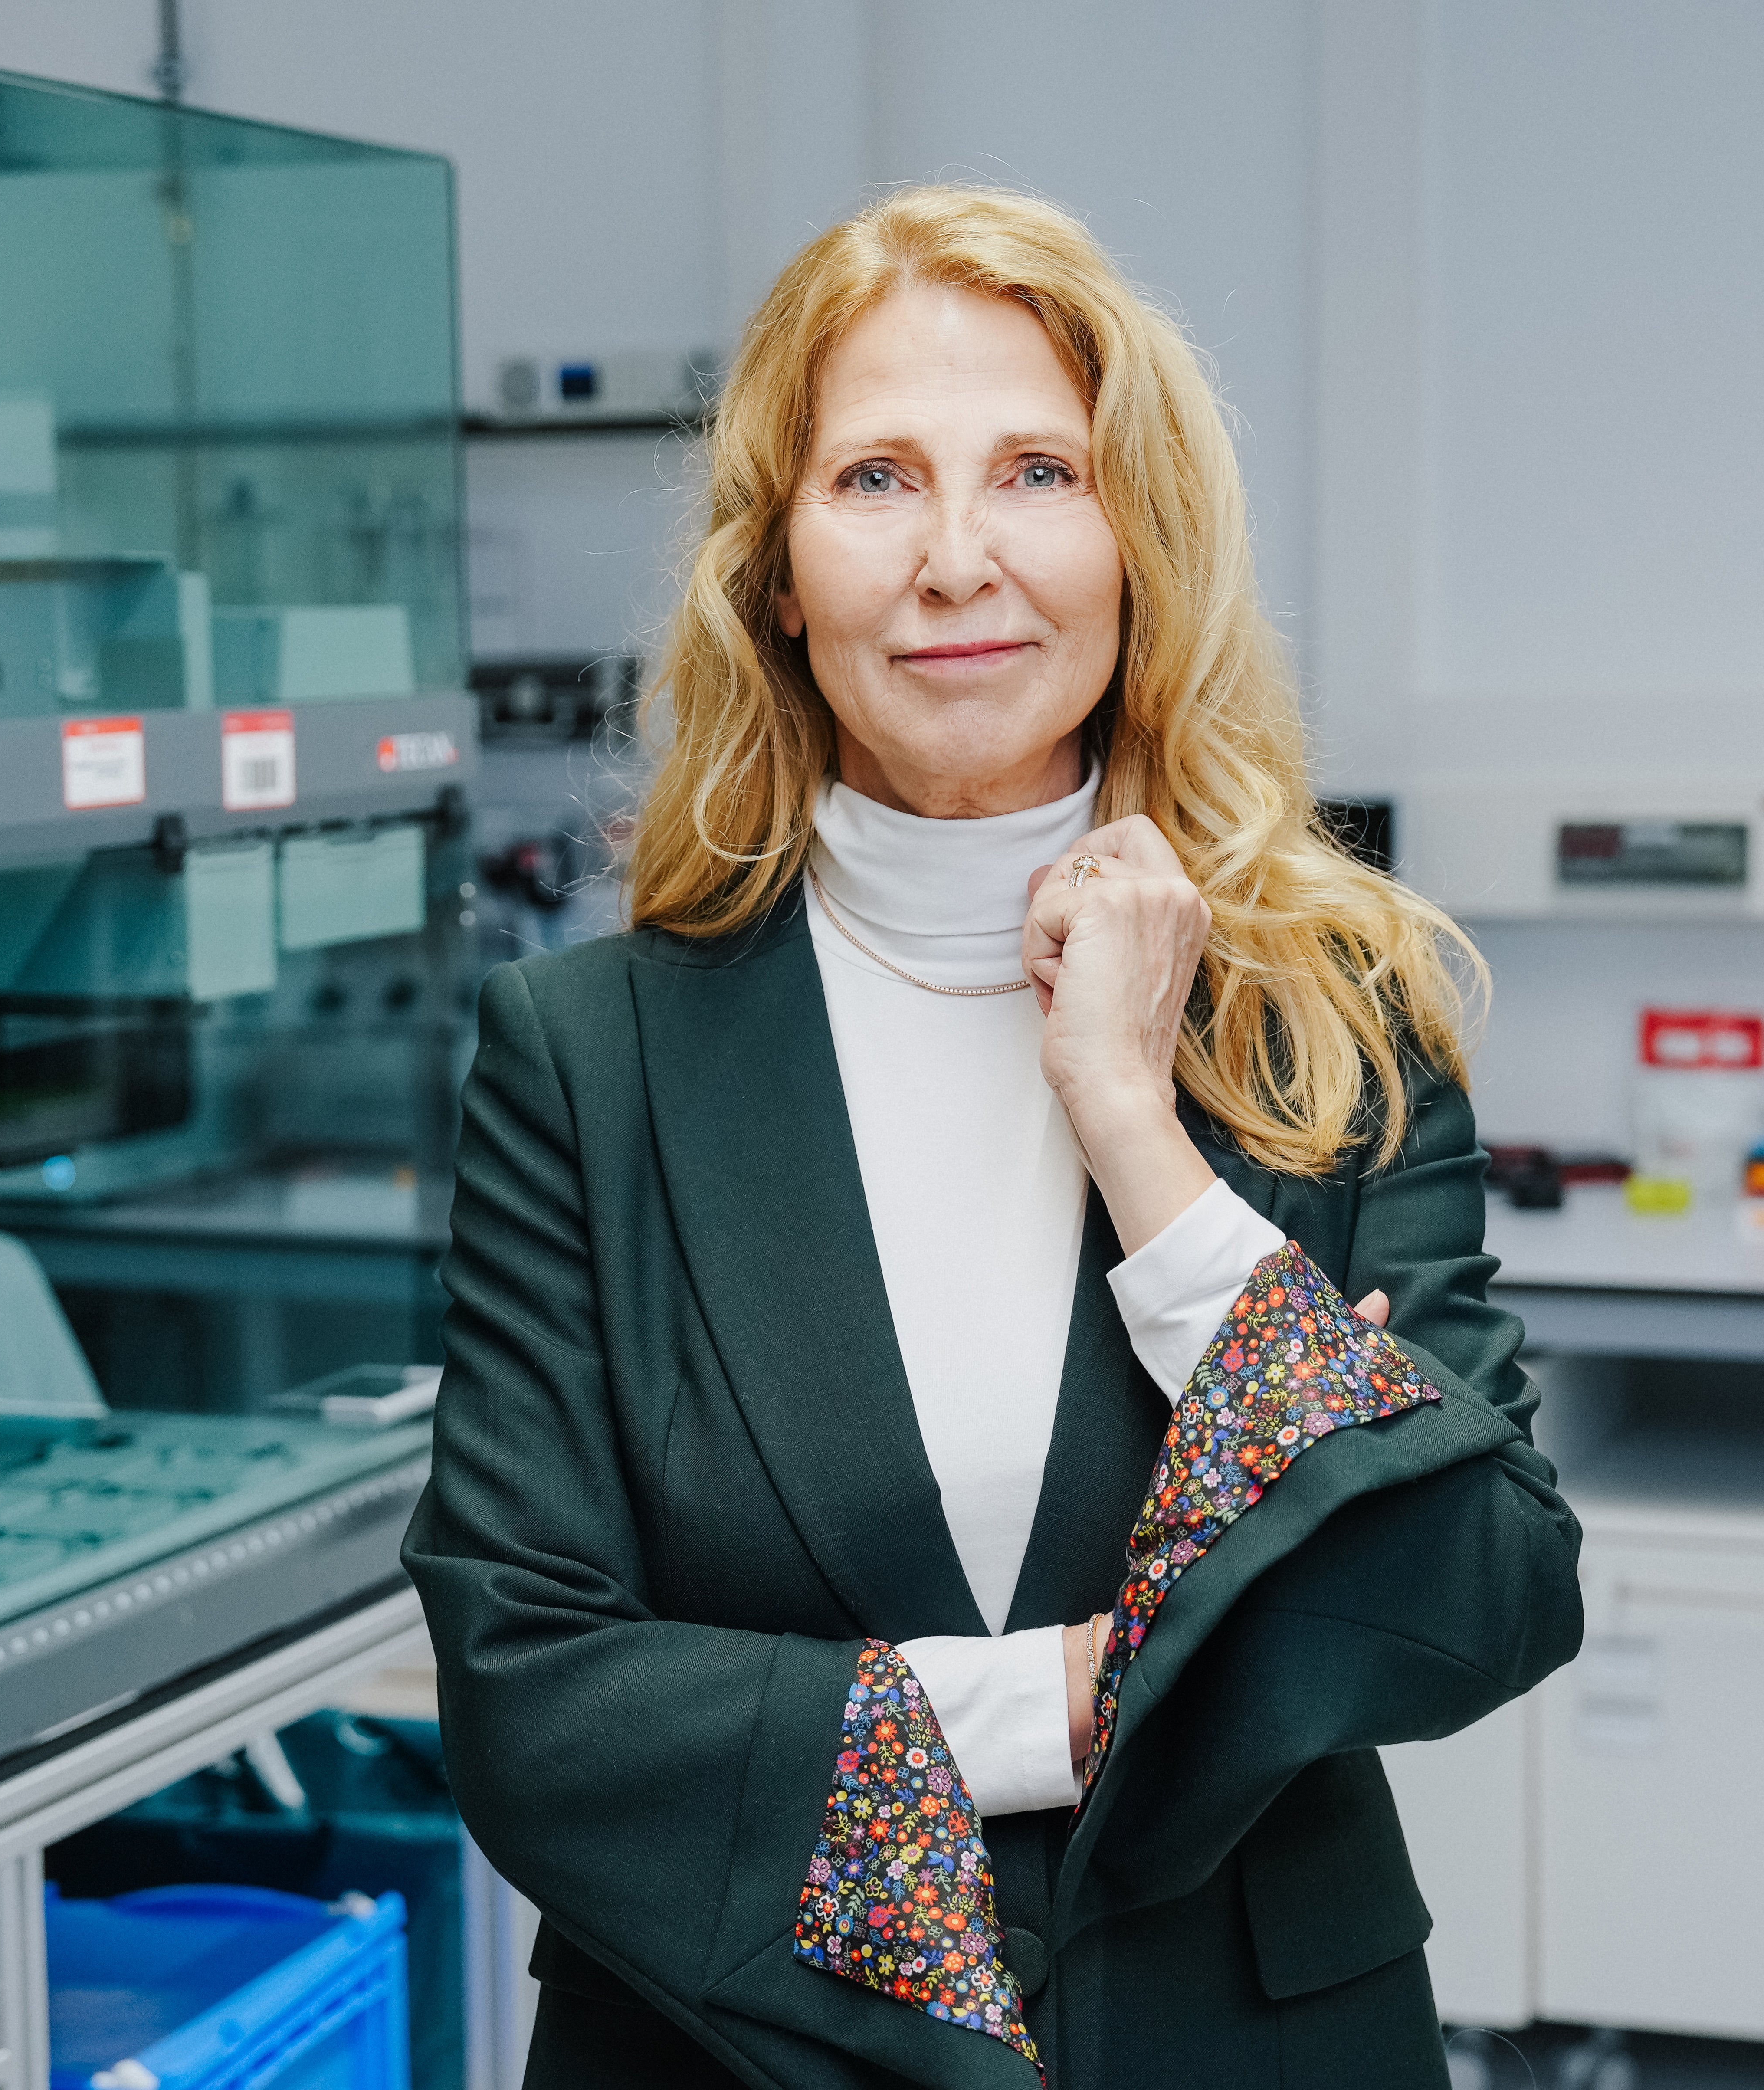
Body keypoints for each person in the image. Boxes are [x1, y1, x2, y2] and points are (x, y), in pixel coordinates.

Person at [404, 184, 1581, 2089]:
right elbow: (529, 1688)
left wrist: (1136, 1126)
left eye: (1039, 469)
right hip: (732, 2044)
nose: (959, 559)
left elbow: (1476, 1595)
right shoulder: (586, 1058)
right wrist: (1049, 1700)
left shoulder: (1328, 1012)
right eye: (875, 478)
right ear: (778, 571)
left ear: (1136, 540)